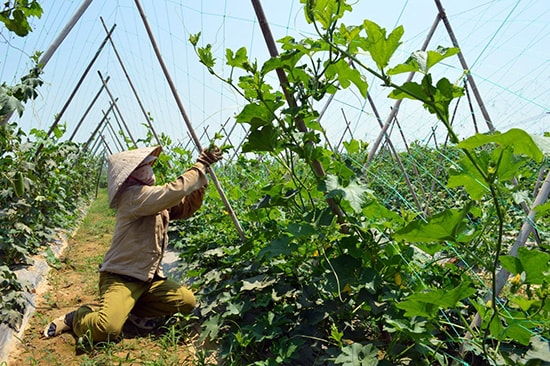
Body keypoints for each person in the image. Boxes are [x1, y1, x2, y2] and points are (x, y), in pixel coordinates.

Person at [43, 145, 223, 342]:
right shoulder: (133, 196)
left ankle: (131, 310)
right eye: (145, 166)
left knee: (186, 302)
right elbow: (173, 191)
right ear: (133, 174)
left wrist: (200, 183)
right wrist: (200, 165)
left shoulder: (150, 198)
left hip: (147, 279)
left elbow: (185, 207)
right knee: (107, 329)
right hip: (122, 277)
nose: (150, 169)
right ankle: (77, 317)